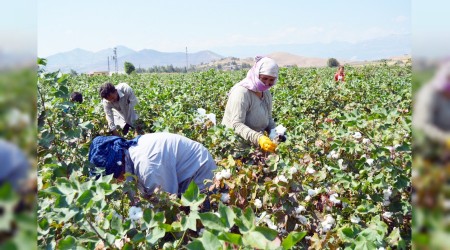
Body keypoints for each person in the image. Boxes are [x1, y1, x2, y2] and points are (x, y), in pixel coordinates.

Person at [88, 132, 217, 196]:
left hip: (200, 170)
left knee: (197, 214)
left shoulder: (147, 167)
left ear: (118, 168)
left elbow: (166, 200)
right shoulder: (130, 150)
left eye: (115, 178)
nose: (118, 182)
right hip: (184, 168)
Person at [222, 56, 279, 153]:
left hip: (254, 146)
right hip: (236, 148)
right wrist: (259, 138)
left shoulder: (266, 93)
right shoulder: (242, 93)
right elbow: (237, 125)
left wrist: (276, 134)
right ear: (257, 74)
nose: (267, 83)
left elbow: (268, 118)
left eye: (271, 80)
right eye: (264, 78)